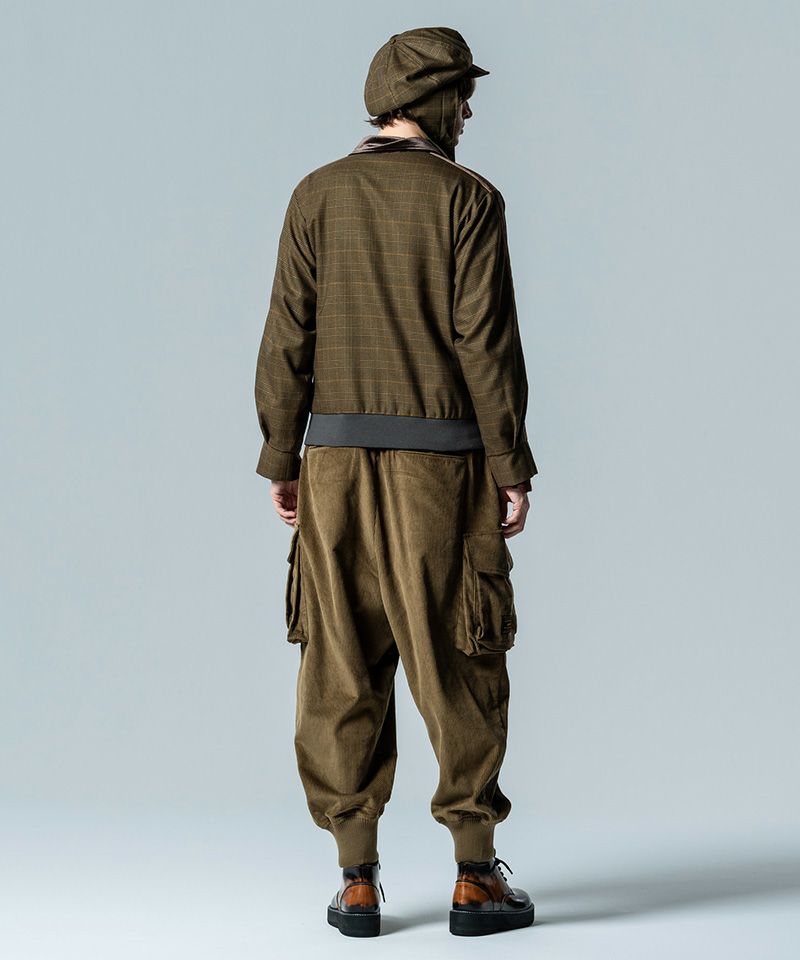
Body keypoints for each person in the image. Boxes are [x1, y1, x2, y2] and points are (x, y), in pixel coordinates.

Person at [254, 26, 538, 938]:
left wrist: (282, 458)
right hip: (441, 471)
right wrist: (511, 466)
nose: (470, 110)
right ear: (433, 101)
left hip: (333, 467)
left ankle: (357, 882)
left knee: (339, 663)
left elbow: (286, 339)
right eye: (463, 94)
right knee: (458, 659)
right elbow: (486, 347)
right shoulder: (468, 200)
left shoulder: (316, 194)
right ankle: (474, 879)